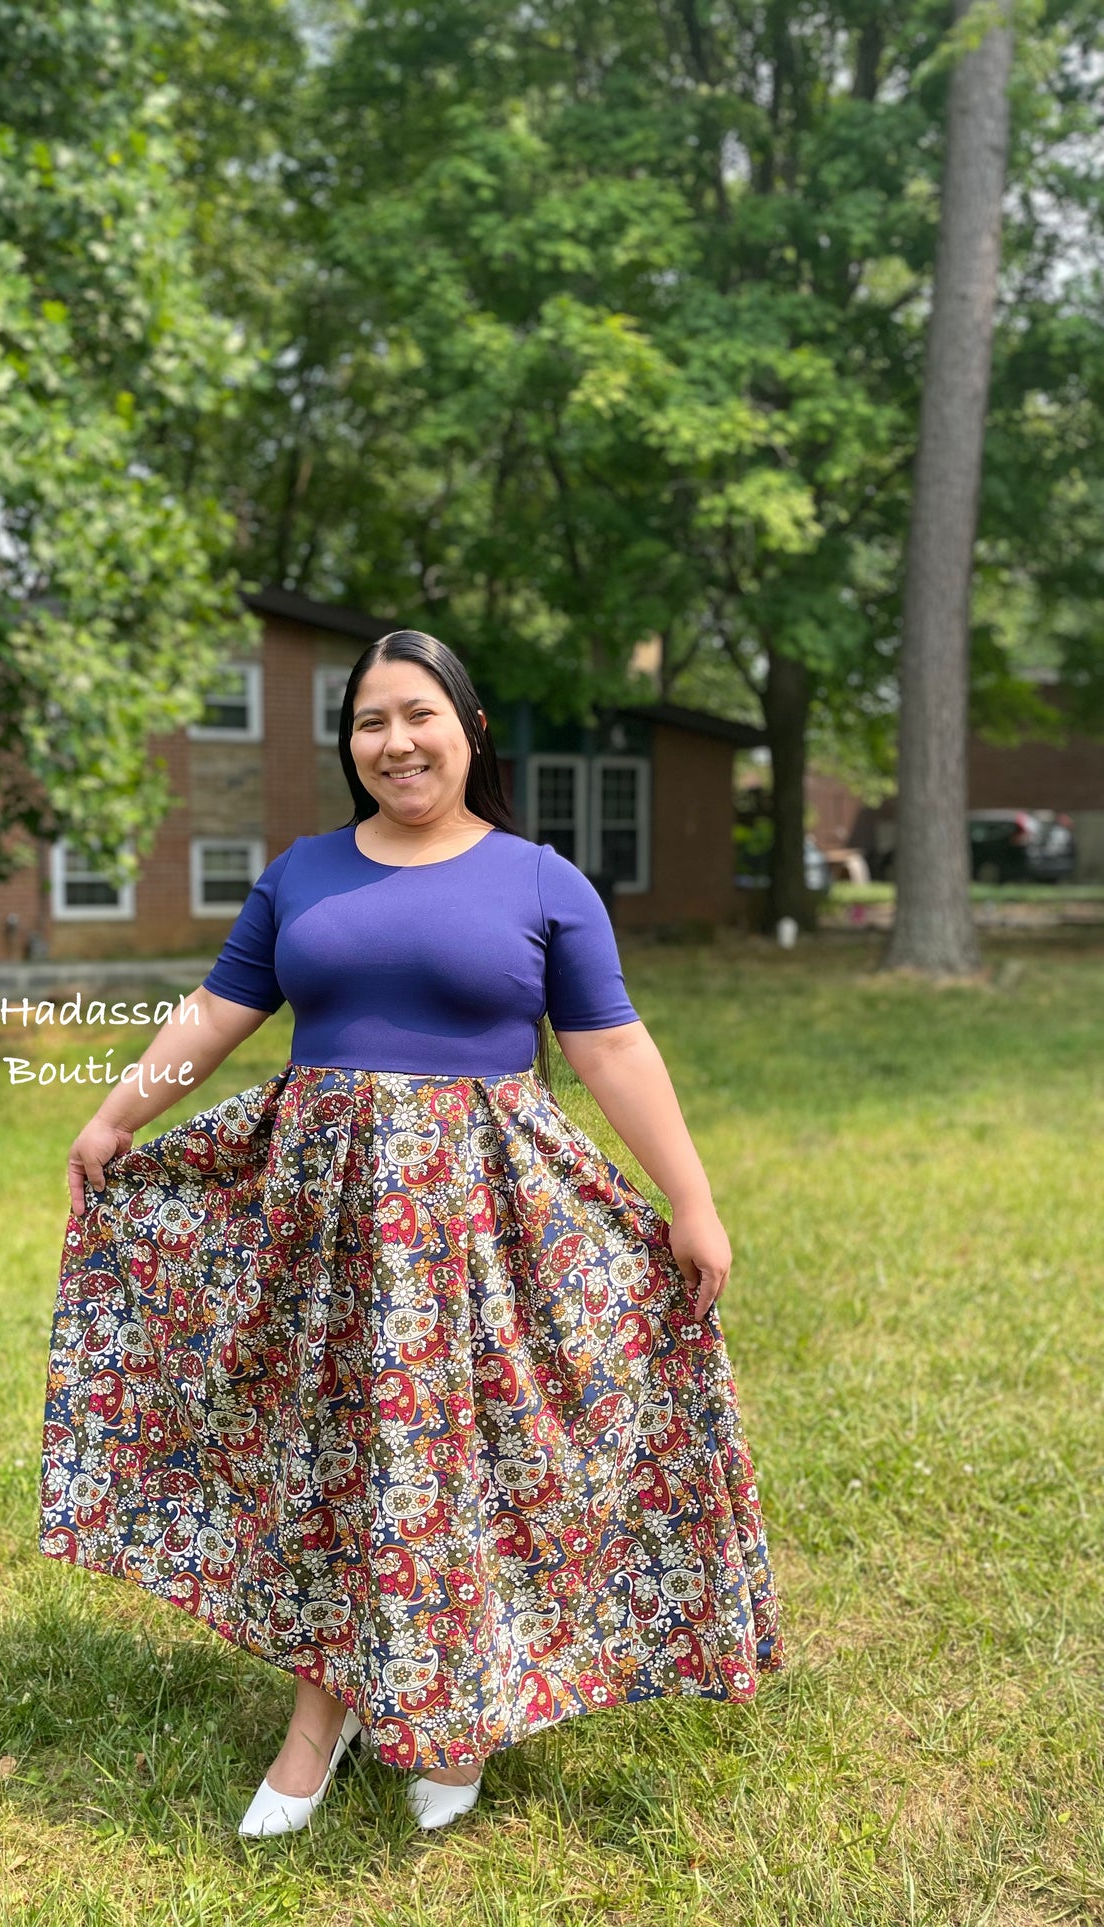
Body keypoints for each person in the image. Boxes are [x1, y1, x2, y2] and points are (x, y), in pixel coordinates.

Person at [41, 630, 782, 1838]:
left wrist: (689, 1202)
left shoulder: (541, 880)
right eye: (370, 721)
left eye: (419, 714)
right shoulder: (302, 873)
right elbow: (223, 1006)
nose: (395, 741)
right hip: (322, 1230)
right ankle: (313, 1728)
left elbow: (609, 1048)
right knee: (331, 1462)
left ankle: (460, 1710)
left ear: (469, 729)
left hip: (485, 1231)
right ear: (349, 744)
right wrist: (116, 1112)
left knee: (464, 1468)